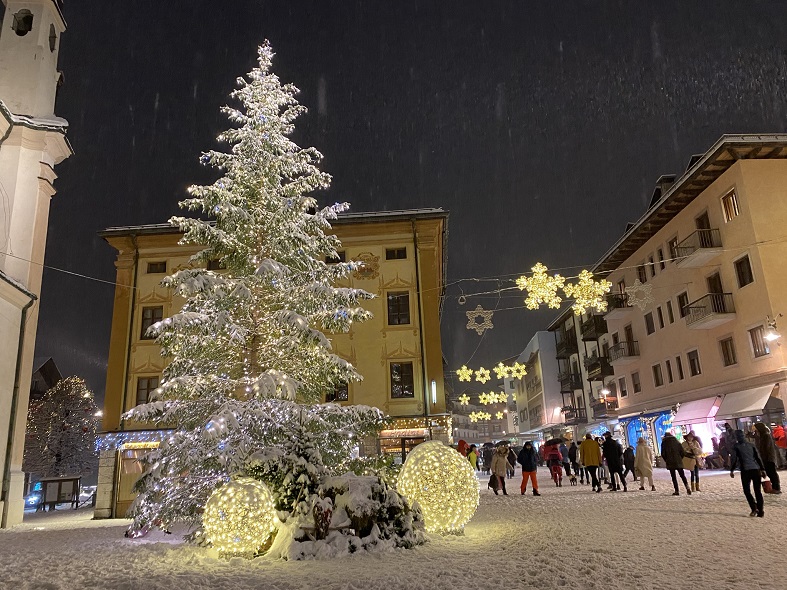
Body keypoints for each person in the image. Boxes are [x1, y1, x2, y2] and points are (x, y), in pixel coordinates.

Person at [730, 429, 767, 517]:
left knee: (747, 491)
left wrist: (732, 469)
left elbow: (734, 459)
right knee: (757, 491)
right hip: (756, 469)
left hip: (745, 470)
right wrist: (762, 469)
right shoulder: (751, 445)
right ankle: (761, 511)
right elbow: (758, 457)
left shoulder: (736, 446)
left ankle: (754, 508)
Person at [753, 422, 781, 494]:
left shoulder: (766, 436)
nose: (755, 431)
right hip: (766, 457)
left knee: (772, 473)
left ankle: (776, 488)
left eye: (756, 429)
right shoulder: (762, 435)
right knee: (769, 473)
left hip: (768, 458)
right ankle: (774, 487)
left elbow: (766, 448)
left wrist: (763, 458)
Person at [661, 432, 691, 496]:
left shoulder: (664, 443)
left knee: (673, 477)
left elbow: (663, 453)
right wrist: (680, 458)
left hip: (670, 462)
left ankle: (676, 490)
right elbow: (682, 452)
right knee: (682, 475)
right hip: (678, 461)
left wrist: (667, 460)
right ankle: (687, 487)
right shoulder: (677, 442)